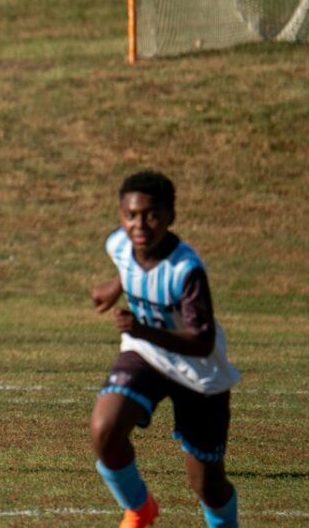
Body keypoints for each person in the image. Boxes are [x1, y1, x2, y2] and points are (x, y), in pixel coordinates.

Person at [89, 171, 239, 528]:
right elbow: (130, 267)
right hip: (146, 354)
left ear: (171, 215)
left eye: (151, 215)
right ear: (121, 215)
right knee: (104, 428)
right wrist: (114, 288)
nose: (140, 224)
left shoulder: (186, 270)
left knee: (207, 485)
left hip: (199, 373)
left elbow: (202, 343)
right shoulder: (119, 244)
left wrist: (141, 328)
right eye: (131, 215)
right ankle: (139, 509)